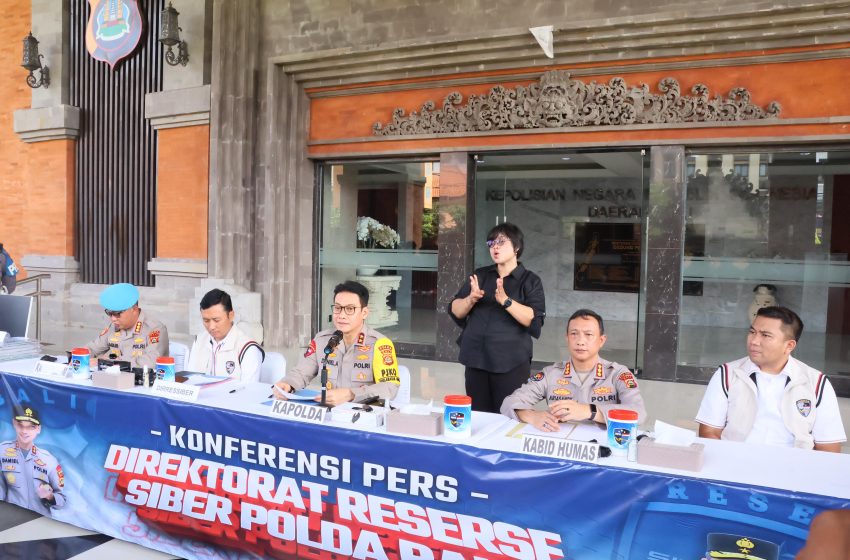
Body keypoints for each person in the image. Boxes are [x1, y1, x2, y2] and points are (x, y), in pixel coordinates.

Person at [696, 306, 846, 452]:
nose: (754, 341)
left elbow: (829, 448)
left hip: (795, 466)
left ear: (789, 345)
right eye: (752, 332)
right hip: (737, 461)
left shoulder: (815, 383)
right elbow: (709, 432)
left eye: (765, 335)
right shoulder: (727, 374)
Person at [448, 223, 546, 413]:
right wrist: (470, 299)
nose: (495, 247)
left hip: (510, 362)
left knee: (509, 414)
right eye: (491, 243)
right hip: (476, 359)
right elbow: (455, 310)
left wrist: (506, 301)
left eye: (501, 242)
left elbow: (533, 319)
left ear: (516, 247)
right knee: (479, 415)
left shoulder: (530, 281)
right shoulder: (480, 275)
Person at [501, 309, 646, 432]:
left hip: (603, 447)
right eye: (574, 334)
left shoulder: (617, 374)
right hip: (562, 445)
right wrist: (531, 416)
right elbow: (508, 403)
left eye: (588, 335)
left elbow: (639, 412)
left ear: (601, 340)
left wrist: (590, 411)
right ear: (567, 338)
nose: (580, 341)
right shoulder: (551, 374)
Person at [273, 280, 400, 406]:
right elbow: (301, 372)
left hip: (363, 413)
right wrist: (288, 384)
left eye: (350, 309)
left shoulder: (380, 344)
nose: (341, 315)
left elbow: (390, 387)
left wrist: (351, 394)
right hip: (328, 412)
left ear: (364, 313)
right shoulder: (322, 340)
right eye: (338, 308)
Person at [0, 405, 66, 516]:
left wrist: (49, 496)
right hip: (11, 517)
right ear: (14, 423)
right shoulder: (2, 451)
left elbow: (62, 501)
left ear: (38, 429)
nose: (24, 431)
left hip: (39, 520)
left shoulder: (49, 460)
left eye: (31, 427)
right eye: (20, 425)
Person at [187, 288, 265, 382]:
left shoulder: (248, 349)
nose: (211, 327)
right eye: (206, 320)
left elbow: (248, 389)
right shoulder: (199, 341)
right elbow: (190, 380)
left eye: (216, 320)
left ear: (231, 315)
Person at [85, 282, 169, 369]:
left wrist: (109, 362)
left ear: (134, 309)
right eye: (109, 313)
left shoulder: (155, 329)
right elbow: (92, 348)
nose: (113, 319)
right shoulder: (114, 327)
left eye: (117, 313)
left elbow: (151, 362)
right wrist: (80, 357)